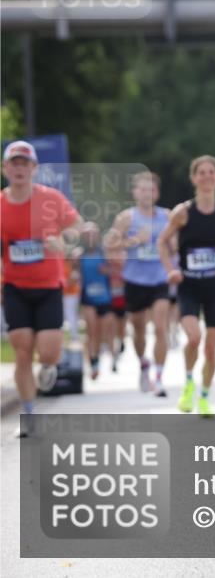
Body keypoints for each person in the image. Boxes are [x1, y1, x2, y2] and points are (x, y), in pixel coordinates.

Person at [1, 141, 83, 437]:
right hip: (14, 286)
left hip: (49, 285)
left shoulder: (51, 199)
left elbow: (78, 226)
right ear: (5, 169)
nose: (20, 168)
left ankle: (48, 367)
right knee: (22, 349)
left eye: (25, 163)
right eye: (15, 163)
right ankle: (29, 412)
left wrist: (64, 241)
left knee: (48, 352)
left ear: (34, 169)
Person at [157, 155, 215, 418]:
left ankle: (204, 397)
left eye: (211, 172)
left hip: (214, 285)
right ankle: (189, 382)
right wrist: (171, 270)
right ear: (193, 179)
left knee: (211, 349)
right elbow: (162, 242)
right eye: (201, 173)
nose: (206, 177)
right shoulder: (182, 212)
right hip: (189, 285)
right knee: (193, 338)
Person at [109, 171, 172, 396]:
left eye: (151, 189)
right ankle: (143, 364)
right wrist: (136, 240)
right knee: (138, 329)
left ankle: (159, 377)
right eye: (143, 189)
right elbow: (110, 245)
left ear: (157, 192)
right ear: (135, 193)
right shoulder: (127, 217)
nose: (147, 193)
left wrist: (170, 246)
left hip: (159, 279)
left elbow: (177, 244)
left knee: (161, 327)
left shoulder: (167, 216)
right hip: (134, 280)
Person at [76, 223, 115, 379]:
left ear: (98, 236)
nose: (90, 237)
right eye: (87, 234)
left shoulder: (104, 254)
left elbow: (117, 271)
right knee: (91, 331)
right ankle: (92, 362)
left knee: (101, 333)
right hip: (88, 298)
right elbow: (73, 275)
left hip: (104, 297)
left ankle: (96, 358)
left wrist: (108, 271)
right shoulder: (79, 255)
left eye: (93, 234)